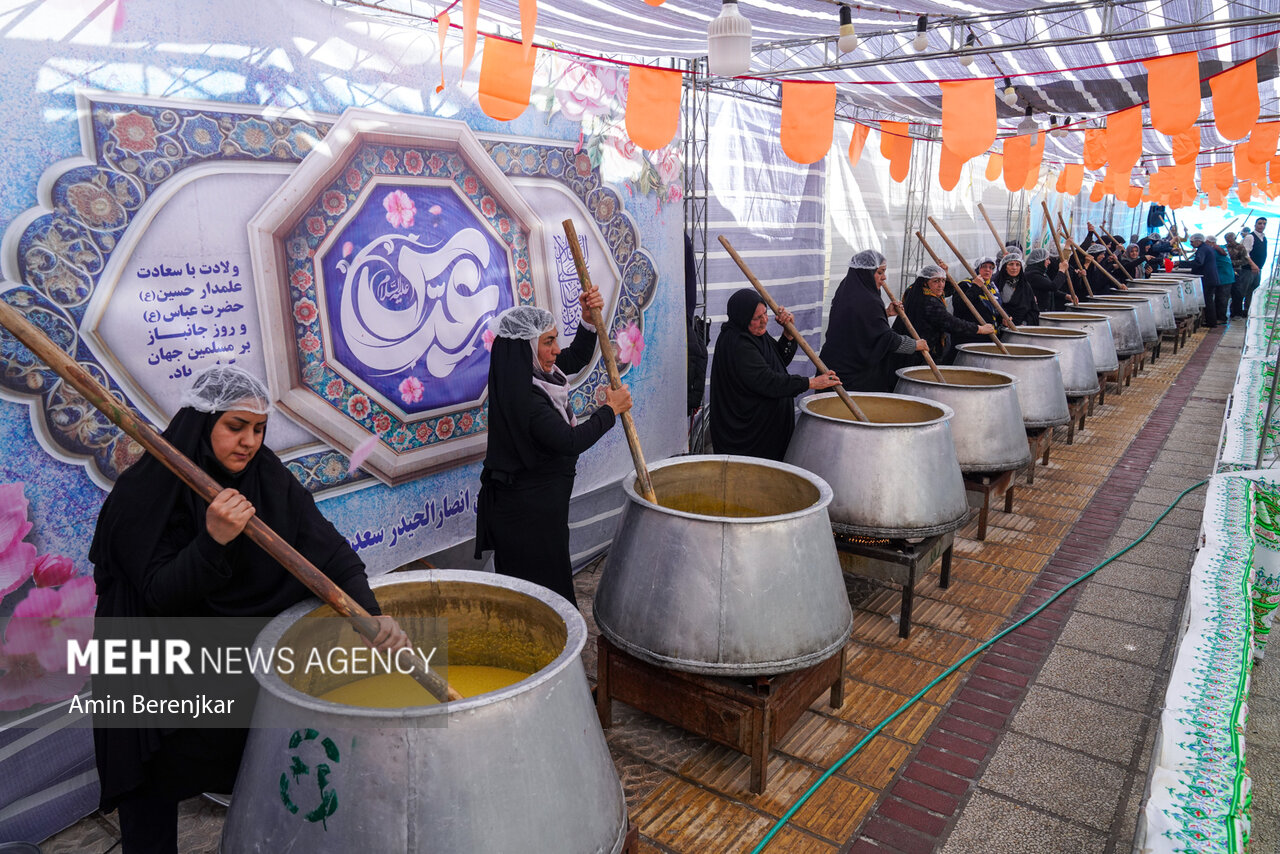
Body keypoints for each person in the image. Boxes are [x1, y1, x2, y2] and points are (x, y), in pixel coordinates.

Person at [90, 366, 410, 854]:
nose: (248, 442)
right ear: (202, 423)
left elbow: (331, 554)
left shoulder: (267, 479)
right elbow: (158, 593)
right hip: (157, 671)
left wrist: (369, 615)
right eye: (235, 427)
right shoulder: (146, 492)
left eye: (258, 429)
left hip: (231, 667)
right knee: (151, 792)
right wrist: (212, 541)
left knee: (263, 774)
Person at [475, 297, 630, 606]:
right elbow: (569, 441)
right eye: (548, 342)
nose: (556, 350)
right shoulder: (527, 399)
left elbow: (574, 357)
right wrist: (610, 411)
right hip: (526, 523)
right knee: (538, 599)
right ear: (527, 348)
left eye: (555, 339)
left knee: (542, 592)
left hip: (539, 515)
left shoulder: (529, 376)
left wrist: (587, 320)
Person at [709, 289, 840, 460]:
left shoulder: (754, 334)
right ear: (742, 318)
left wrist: (788, 334)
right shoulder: (738, 344)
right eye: (757, 318)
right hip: (748, 438)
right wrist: (811, 383)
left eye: (765, 314)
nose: (764, 321)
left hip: (765, 432)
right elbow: (768, 381)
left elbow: (777, 361)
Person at [818, 250, 928, 392]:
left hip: (834, 363)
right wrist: (914, 345)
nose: (884, 278)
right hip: (853, 374)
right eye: (880, 272)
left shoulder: (848, 289)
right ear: (867, 273)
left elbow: (859, 324)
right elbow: (885, 338)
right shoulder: (868, 300)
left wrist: (886, 313)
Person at [894, 264, 994, 364]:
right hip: (921, 352)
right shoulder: (929, 302)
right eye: (936, 281)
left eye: (943, 280)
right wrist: (979, 329)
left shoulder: (916, 291)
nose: (941, 284)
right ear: (925, 282)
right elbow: (951, 323)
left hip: (916, 348)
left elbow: (948, 290)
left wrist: (945, 273)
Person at [1178, 232, 1225, 327]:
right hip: (1211, 278)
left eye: (1192, 242)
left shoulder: (1203, 249)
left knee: (1208, 301)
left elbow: (1198, 262)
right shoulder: (1206, 248)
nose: (1191, 244)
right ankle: (1211, 321)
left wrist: (1181, 263)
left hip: (1207, 279)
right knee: (1209, 300)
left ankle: (1211, 322)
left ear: (1198, 241)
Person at [992, 252, 1039, 326]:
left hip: (1023, 329)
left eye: (1018, 264)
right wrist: (1002, 319)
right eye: (1011, 264)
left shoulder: (1025, 285)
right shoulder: (996, 284)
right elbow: (993, 306)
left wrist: (1025, 323)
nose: (1014, 268)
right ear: (1005, 266)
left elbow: (1034, 310)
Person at [1240, 217, 1269, 317]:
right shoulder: (1250, 237)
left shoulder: (1263, 238)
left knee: (1253, 291)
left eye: (1264, 224)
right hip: (1248, 269)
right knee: (1243, 290)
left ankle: (1248, 310)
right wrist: (1253, 265)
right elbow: (1245, 253)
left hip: (1258, 269)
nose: (1262, 226)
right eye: (1260, 223)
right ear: (1255, 224)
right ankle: (1237, 312)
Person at [1208, 236, 1235, 319]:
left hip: (1224, 276)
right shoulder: (1222, 247)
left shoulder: (1214, 251)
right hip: (1226, 275)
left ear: (1211, 243)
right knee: (1221, 297)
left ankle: (1221, 318)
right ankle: (1219, 316)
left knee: (1222, 298)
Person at [1226, 232, 1251, 318]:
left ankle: (1237, 312)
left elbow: (1245, 261)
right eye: (1228, 241)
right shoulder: (1225, 247)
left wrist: (1233, 263)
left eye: (1230, 240)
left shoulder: (1240, 247)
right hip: (1227, 271)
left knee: (1237, 292)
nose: (1229, 242)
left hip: (1237, 271)